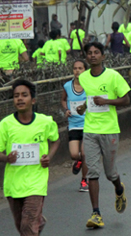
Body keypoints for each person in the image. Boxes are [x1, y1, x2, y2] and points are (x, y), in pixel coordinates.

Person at [0, 80, 60, 236]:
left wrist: (48, 157)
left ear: (33, 100)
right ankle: (39, 221)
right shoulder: (5, 125)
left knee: (27, 227)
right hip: (13, 183)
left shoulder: (45, 122)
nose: (20, 99)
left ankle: (34, 223)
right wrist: (7, 158)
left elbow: (56, 140)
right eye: (16, 96)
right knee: (22, 225)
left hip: (36, 181)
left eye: (24, 95)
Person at [76, 42, 131, 229]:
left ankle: (119, 188)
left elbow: (126, 99)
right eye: (89, 53)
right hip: (90, 130)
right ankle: (96, 213)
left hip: (110, 130)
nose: (92, 55)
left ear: (103, 56)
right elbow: (88, 99)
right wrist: (83, 107)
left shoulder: (113, 76)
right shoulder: (83, 77)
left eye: (96, 52)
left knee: (110, 173)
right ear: (86, 57)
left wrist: (106, 101)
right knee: (92, 171)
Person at [60, 60, 89, 192]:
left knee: (84, 153)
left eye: (80, 68)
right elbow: (63, 100)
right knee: (74, 154)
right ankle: (78, 162)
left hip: (88, 124)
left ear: (85, 70)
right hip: (74, 124)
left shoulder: (90, 85)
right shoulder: (67, 86)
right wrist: (66, 109)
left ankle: (84, 180)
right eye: (75, 68)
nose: (77, 71)